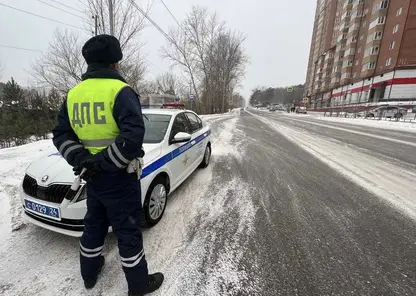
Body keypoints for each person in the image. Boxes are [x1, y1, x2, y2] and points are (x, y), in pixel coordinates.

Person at [52, 34, 164, 296]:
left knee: (94, 225)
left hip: (91, 177)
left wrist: (83, 161)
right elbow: (133, 137)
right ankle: (138, 285)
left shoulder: (73, 95)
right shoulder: (120, 91)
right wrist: (101, 164)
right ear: (115, 63)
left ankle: (89, 275)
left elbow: (61, 135)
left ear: (90, 63)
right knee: (127, 230)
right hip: (118, 177)